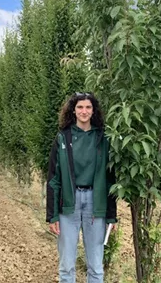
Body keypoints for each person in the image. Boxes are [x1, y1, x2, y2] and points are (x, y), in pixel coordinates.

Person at [46, 92, 117, 283]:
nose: (84, 111)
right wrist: (52, 215)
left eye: (88, 107)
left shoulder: (103, 138)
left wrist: (111, 215)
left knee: (95, 265)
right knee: (67, 265)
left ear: (93, 111)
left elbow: (110, 179)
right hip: (69, 204)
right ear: (73, 110)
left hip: (96, 204)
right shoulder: (63, 138)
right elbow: (53, 178)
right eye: (79, 107)